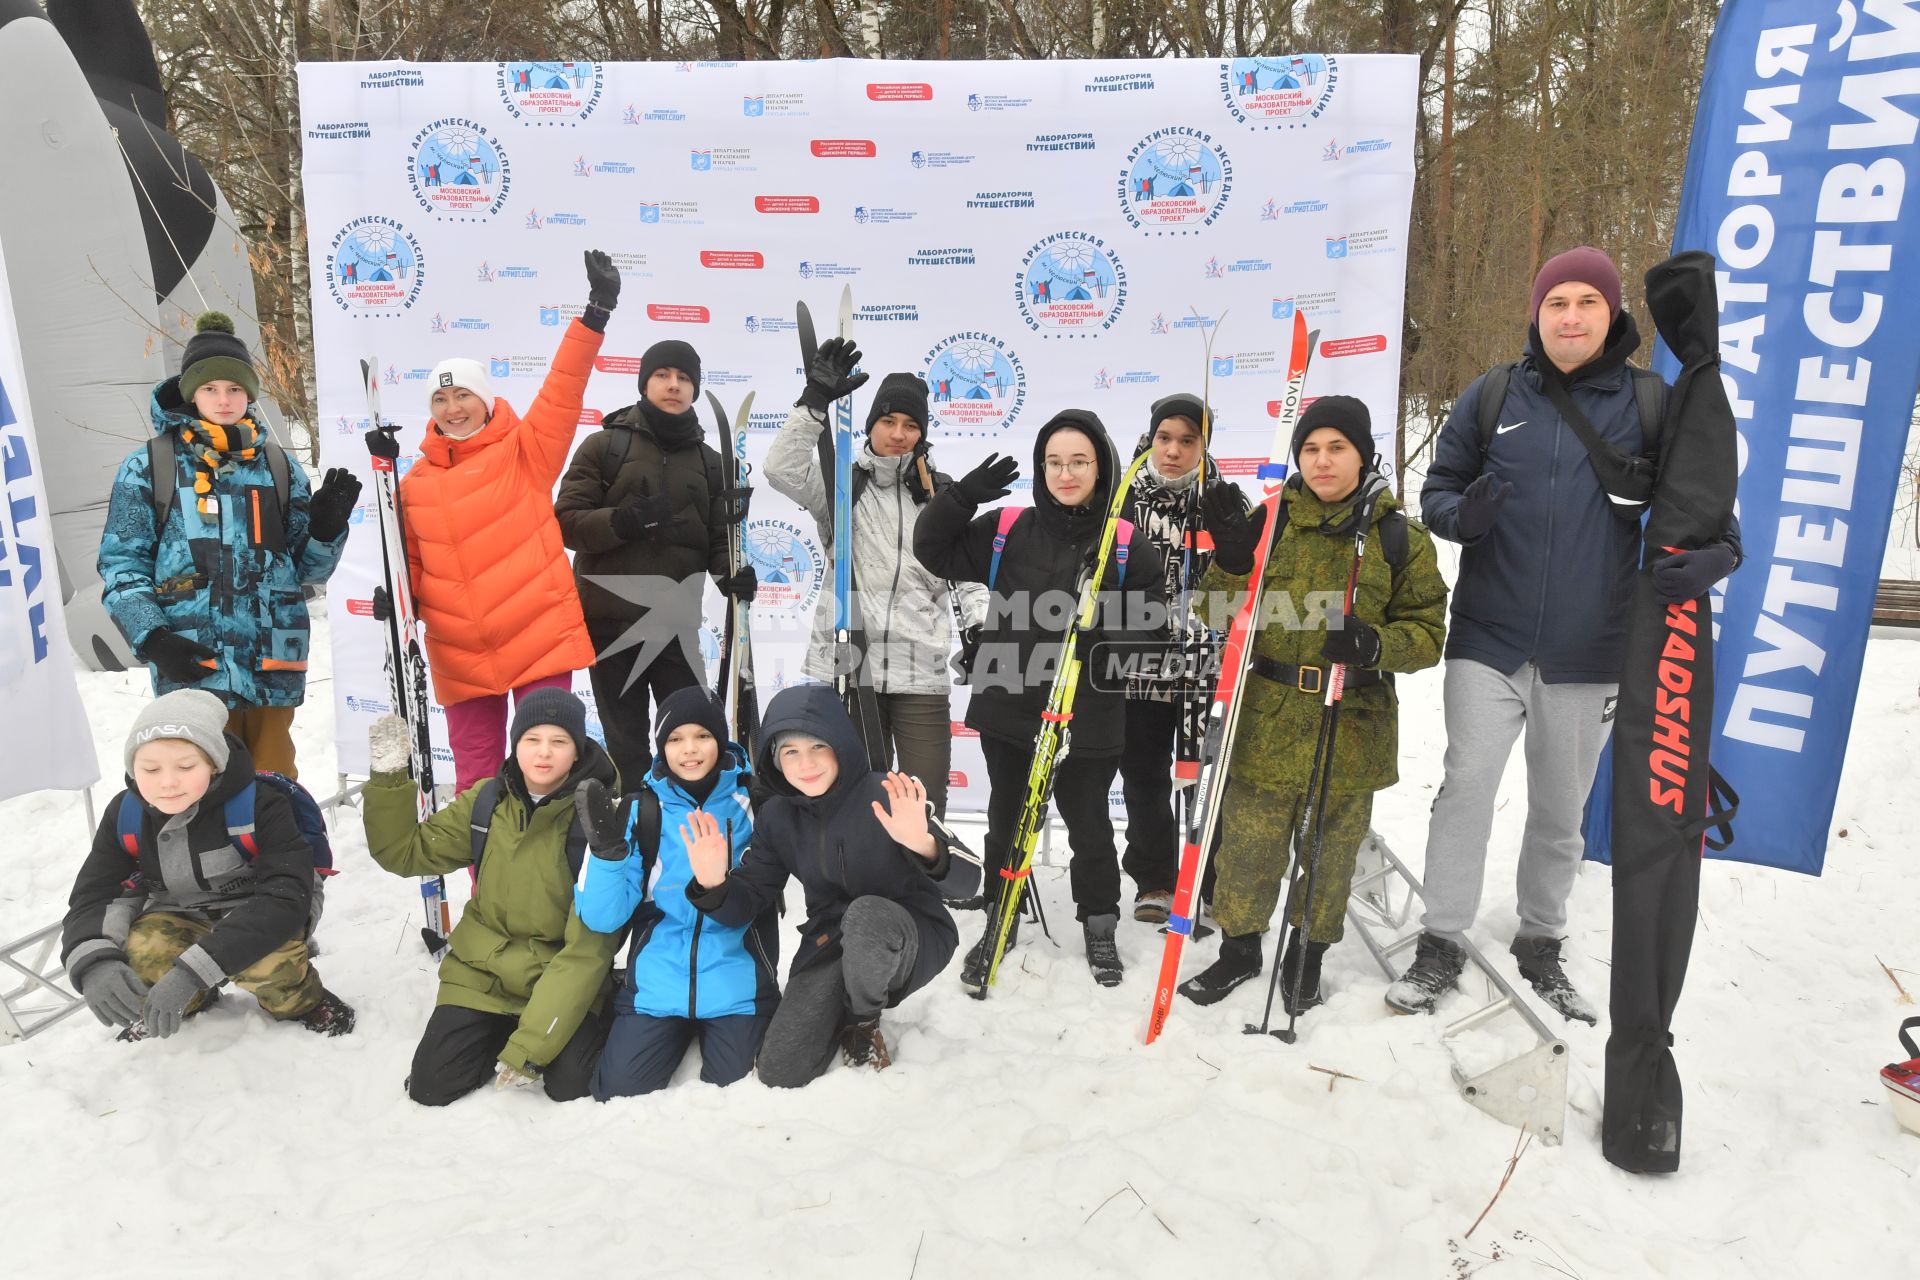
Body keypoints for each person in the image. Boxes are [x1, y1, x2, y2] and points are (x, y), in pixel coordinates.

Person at [1398, 246, 1743, 1022]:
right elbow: (1437, 491)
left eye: (1588, 301)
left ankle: (1540, 939)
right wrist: (1463, 518)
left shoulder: (1652, 404)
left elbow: (1711, 506)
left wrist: (1720, 556)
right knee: (1465, 791)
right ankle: (1442, 939)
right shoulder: (1491, 395)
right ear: (1537, 312)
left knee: (1561, 808)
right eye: (1557, 303)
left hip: (1591, 650)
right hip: (1488, 639)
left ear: (1612, 312)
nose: (1572, 316)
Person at [1176, 397, 1447, 1013]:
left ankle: (1306, 956)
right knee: (1246, 848)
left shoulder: (1400, 539)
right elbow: (1213, 611)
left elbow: (1429, 636)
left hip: (1349, 723)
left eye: (1337, 448)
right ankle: (1239, 952)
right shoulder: (1267, 523)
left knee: (1329, 856)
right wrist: (1233, 561)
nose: (1322, 461)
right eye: (1311, 449)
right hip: (1266, 717)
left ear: (1363, 454)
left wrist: (1376, 643)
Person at [914, 410, 1167, 989]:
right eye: (1054, 462)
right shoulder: (1005, 529)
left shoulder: (1123, 543)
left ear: (1100, 467)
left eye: (1079, 461)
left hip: (1090, 710)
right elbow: (932, 548)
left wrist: (1097, 620)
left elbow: (1154, 621)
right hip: (1012, 706)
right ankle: (1000, 918)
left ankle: (1099, 926)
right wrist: (961, 498)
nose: (1065, 472)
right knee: (1005, 819)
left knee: (1090, 825)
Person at [98, 311, 360, 779]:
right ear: (191, 392)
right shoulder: (151, 466)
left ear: (250, 394)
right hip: (193, 662)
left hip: (270, 664)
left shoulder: (279, 466)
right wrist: (154, 638)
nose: (224, 399)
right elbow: (122, 564)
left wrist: (324, 531)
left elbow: (307, 572)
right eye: (211, 389)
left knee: (273, 791)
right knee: (203, 790)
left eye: (235, 389)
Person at [395, 250, 619, 795]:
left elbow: (562, 391)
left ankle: (551, 878)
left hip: (535, 638)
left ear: (485, 400)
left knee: (548, 770)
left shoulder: (525, 451)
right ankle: (485, 881)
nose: (453, 408)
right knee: (476, 781)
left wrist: (594, 316)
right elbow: (412, 569)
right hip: (459, 654)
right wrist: (399, 602)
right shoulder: (414, 484)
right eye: (441, 399)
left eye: (464, 395)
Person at [762, 343, 986, 848]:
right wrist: (814, 401)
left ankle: (919, 887)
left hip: (918, 664)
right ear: (871, 425)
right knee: (853, 791)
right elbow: (779, 469)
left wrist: (980, 622)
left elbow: (968, 574)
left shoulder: (941, 493)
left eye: (911, 424)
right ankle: (858, 887)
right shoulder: (843, 482)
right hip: (847, 659)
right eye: (890, 421)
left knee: (925, 795)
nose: (900, 434)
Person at [685, 685, 959, 1085]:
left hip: (911, 936)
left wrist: (924, 844)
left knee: (866, 914)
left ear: (841, 745)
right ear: (775, 760)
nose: (805, 763)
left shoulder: (888, 794)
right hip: (831, 942)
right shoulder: (777, 817)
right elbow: (749, 899)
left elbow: (972, 880)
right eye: (790, 752)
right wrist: (712, 884)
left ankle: (864, 1024)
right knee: (780, 1069)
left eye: (818, 747)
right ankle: (845, 1004)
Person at [363, 688, 620, 1104]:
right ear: (515, 744)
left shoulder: (600, 816)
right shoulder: (487, 800)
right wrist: (389, 779)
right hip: (481, 973)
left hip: (557, 972)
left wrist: (528, 1048)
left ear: (578, 751)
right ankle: (498, 1027)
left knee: (570, 1086)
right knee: (431, 1086)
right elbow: (406, 853)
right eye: (531, 740)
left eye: (559, 742)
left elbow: (589, 948)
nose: (543, 753)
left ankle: (576, 1020)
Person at [61, 689, 354, 1041]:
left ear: (214, 763)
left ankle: (301, 1001)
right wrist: (95, 961)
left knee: (270, 960)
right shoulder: (126, 813)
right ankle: (184, 1002)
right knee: (141, 955)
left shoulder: (262, 803)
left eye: (185, 766)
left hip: (259, 912)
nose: (167, 782)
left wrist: (192, 970)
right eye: (149, 768)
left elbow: (285, 896)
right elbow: (96, 893)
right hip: (180, 911)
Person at [556, 337, 758, 791]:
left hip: (676, 625)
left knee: (689, 738)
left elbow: (717, 540)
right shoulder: (605, 446)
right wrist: (622, 521)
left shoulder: (710, 463)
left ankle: (688, 835)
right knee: (625, 744)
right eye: (663, 375)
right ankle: (633, 830)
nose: (673, 385)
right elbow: (565, 523)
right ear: (645, 382)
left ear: (694, 388)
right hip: (610, 625)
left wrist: (732, 577)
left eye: (684, 378)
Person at [573, 689, 774, 1099]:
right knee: (617, 1095)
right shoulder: (640, 810)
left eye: (702, 735)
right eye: (675, 739)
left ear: (721, 739)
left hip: (739, 986)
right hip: (655, 985)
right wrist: (608, 857)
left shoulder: (755, 804)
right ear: (661, 747)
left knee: (742, 1097)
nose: (690, 750)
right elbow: (603, 917)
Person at [1115, 394, 1235, 923]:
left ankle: (1206, 876)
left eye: (1188, 440)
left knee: (1204, 778)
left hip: (1203, 671)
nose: (1174, 450)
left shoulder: (1225, 500)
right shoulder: (1121, 499)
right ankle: (1155, 880)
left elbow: (1245, 582)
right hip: (1135, 670)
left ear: (1204, 446)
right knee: (1143, 779)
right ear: (1150, 439)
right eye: (1165, 438)